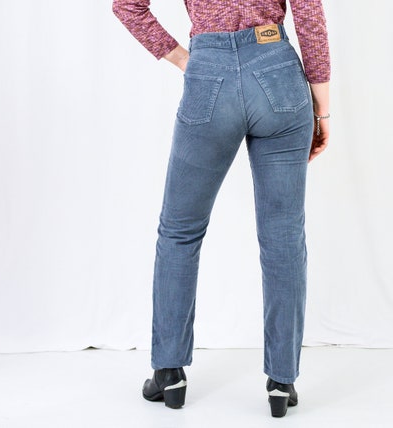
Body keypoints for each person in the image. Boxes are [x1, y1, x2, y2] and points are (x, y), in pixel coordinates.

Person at [112, 0, 330, 418]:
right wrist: (323, 108)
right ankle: (282, 380)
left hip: (208, 73)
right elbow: (309, 15)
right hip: (278, 71)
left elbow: (127, 6)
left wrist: (185, 60)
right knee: (283, 235)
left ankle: (169, 372)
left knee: (180, 231)